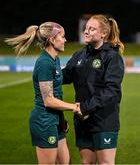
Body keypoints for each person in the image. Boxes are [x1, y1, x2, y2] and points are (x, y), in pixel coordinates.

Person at [5, 22, 80, 164]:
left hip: (56, 120)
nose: (65, 40)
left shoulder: (55, 59)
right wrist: (74, 107)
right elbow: (48, 100)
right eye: (62, 37)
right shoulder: (45, 63)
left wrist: (61, 119)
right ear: (52, 40)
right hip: (44, 122)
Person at [62, 14, 124, 164]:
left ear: (103, 34)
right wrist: (47, 67)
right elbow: (63, 77)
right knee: (87, 163)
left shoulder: (112, 56)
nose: (86, 31)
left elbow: (112, 91)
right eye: (86, 28)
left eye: (92, 29)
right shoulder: (79, 55)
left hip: (104, 120)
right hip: (82, 121)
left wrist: (85, 107)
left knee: (105, 163)